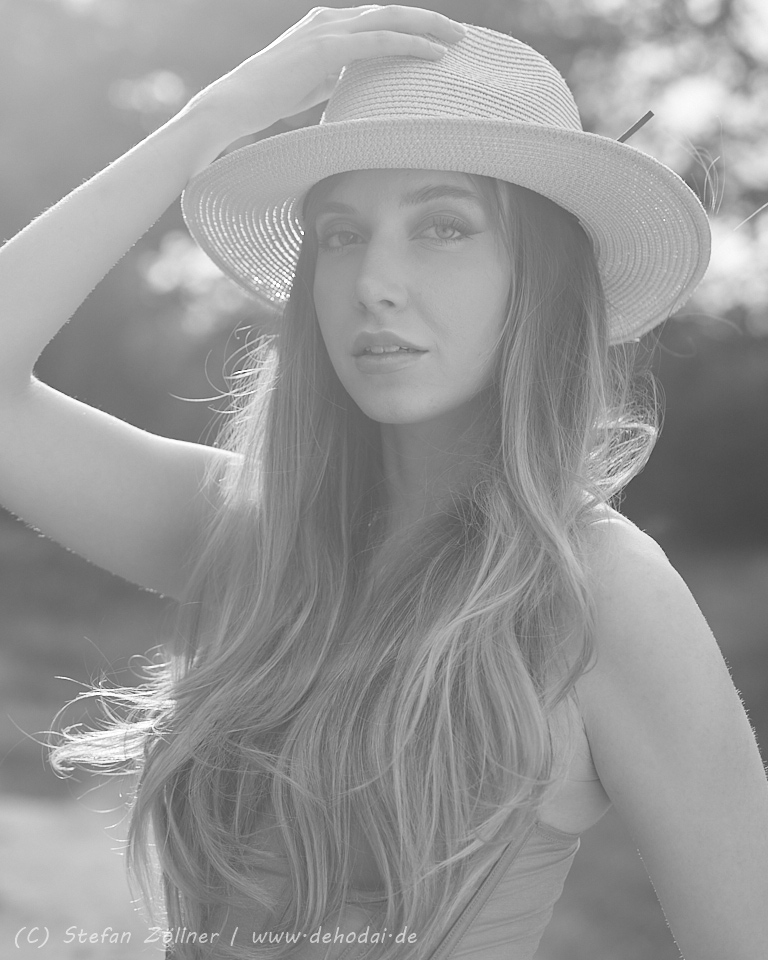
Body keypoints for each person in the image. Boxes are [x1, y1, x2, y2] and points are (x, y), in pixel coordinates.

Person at [0, 6, 766, 959]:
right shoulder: (254, 532)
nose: (374, 281)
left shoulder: (596, 590)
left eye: (443, 226)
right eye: (341, 234)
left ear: (541, 279)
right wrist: (210, 121)